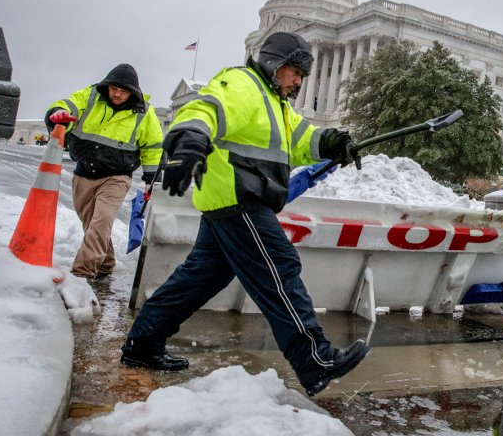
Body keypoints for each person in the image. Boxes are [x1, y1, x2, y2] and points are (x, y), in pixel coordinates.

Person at [120, 31, 370, 397]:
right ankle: (314, 360)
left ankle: (142, 344)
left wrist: (333, 143)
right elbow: (204, 110)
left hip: (231, 203)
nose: (300, 80)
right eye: (296, 71)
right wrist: (189, 140)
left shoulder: (278, 105)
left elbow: (302, 141)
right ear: (274, 63)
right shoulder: (241, 84)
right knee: (279, 269)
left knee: (196, 281)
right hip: (240, 199)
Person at [45, 63, 163, 281]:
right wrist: (57, 113)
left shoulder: (144, 113)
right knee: (92, 224)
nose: (117, 94)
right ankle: (106, 262)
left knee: (102, 220)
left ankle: (82, 274)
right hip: (83, 173)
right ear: (106, 87)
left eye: (124, 91)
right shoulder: (89, 97)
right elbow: (68, 105)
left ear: (132, 92)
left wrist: (151, 179)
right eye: (114, 88)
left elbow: (153, 146)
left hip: (116, 177)